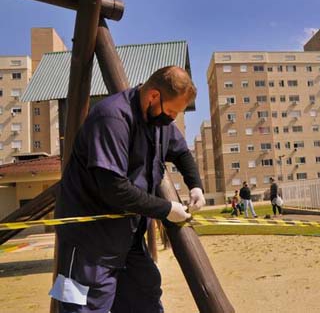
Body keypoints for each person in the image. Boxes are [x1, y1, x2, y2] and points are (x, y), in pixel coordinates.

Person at [50, 66, 206, 313]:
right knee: (81, 308)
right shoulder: (111, 118)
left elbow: (181, 152)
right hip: (86, 243)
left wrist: (195, 185)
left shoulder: (159, 123)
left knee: (146, 296)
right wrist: (166, 208)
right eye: (172, 111)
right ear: (154, 96)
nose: (172, 119)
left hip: (128, 237)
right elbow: (114, 189)